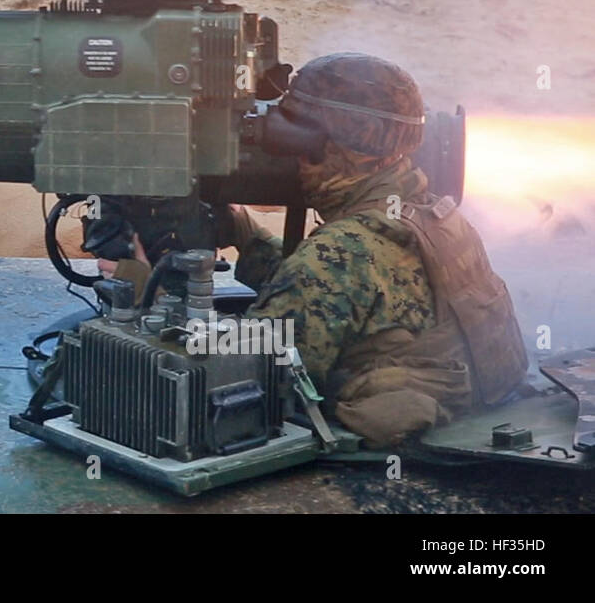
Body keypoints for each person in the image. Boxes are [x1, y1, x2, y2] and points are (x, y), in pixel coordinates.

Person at [99, 52, 529, 447]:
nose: (295, 161)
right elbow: (339, 308)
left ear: (341, 151)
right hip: (469, 414)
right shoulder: (435, 217)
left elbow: (231, 386)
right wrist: (246, 234)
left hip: (389, 458)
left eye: (301, 147)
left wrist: (142, 290)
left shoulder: (335, 258)